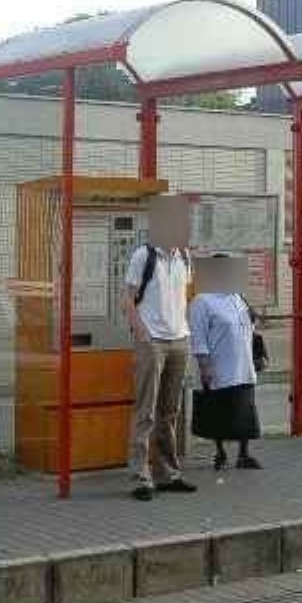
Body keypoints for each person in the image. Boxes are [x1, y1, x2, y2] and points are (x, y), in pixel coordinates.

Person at [123, 195, 198, 501]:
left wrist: (185, 330)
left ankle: (168, 473)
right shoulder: (144, 255)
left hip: (179, 340)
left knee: (169, 411)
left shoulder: (184, 257)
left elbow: (185, 296)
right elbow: (127, 300)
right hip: (152, 341)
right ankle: (140, 476)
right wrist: (142, 334)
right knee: (146, 410)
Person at [189, 254, 262, 471]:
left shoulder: (238, 297)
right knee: (219, 410)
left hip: (244, 364)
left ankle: (243, 454)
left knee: (245, 410)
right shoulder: (202, 301)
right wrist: (205, 366)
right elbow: (198, 337)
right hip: (220, 366)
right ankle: (220, 453)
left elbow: (249, 327)